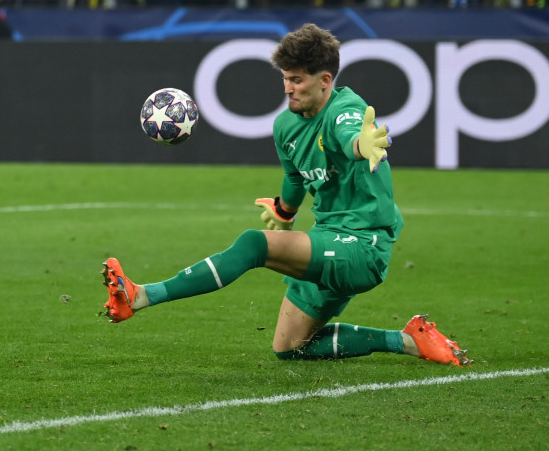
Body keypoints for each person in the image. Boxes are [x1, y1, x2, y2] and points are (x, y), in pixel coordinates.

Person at [102, 24, 472, 368]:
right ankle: (410, 340)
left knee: (253, 245)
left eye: (297, 80)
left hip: (363, 247)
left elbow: (349, 138)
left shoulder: (345, 110)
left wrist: (362, 144)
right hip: (328, 239)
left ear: (325, 81)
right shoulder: (286, 125)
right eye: (285, 79)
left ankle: (141, 296)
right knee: (290, 348)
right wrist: (285, 209)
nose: (287, 89)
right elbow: (295, 176)